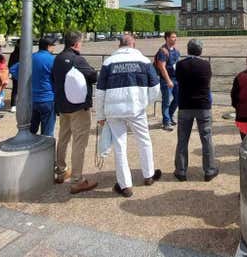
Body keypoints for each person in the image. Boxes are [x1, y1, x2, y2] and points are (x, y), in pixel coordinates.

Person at [96, 34, 162, 197]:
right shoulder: (144, 61)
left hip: (113, 110)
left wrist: (100, 115)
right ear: (133, 44)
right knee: (144, 141)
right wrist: (144, 103)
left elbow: (100, 93)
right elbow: (155, 88)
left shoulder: (108, 62)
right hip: (136, 108)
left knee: (120, 146)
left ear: (120, 45)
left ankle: (125, 186)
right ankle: (148, 175)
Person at [52, 31, 99, 193]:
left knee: (63, 138)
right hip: (78, 107)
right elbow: (93, 76)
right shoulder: (77, 59)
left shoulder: (57, 58)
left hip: (62, 105)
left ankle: (61, 171)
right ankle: (77, 180)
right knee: (79, 142)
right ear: (76, 44)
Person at [173, 39, 218, 182]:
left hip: (185, 105)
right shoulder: (206, 65)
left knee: (182, 139)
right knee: (206, 139)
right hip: (203, 105)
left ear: (188, 49)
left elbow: (179, 80)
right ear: (201, 50)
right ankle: (209, 170)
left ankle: (181, 171)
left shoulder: (180, 65)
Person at [30, 37, 58, 136]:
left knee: (31, 130)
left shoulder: (30, 57)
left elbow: (14, 70)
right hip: (48, 98)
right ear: (48, 46)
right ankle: (45, 151)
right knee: (47, 133)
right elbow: (58, 77)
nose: (54, 47)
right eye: (53, 45)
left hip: (32, 99)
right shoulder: (52, 59)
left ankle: (29, 149)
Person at [155, 31, 180, 131]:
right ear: (167, 38)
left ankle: (169, 116)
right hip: (166, 80)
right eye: (173, 37)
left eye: (175, 37)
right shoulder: (163, 51)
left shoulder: (177, 51)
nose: (175, 39)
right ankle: (166, 122)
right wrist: (168, 80)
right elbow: (161, 67)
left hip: (176, 79)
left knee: (178, 99)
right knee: (166, 102)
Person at [8, 39, 20, 112]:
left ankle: (19, 104)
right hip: (16, 74)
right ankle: (13, 105)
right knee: (15, 89)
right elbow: (10, 65)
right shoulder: (14, 54)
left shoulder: (26, 53)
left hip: (23, 74)